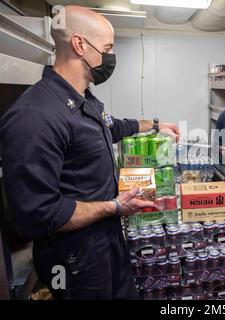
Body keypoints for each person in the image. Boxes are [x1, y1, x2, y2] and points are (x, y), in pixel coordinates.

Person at [0, 6, 179, 300]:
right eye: (107, 48)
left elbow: (112, 127)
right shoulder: (35, 115)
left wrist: (155, 125)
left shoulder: (83, 100)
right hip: (74, 258)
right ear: (80, 45)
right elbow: (38, 214)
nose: (111, 58)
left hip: (107, 239)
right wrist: (114, 207)